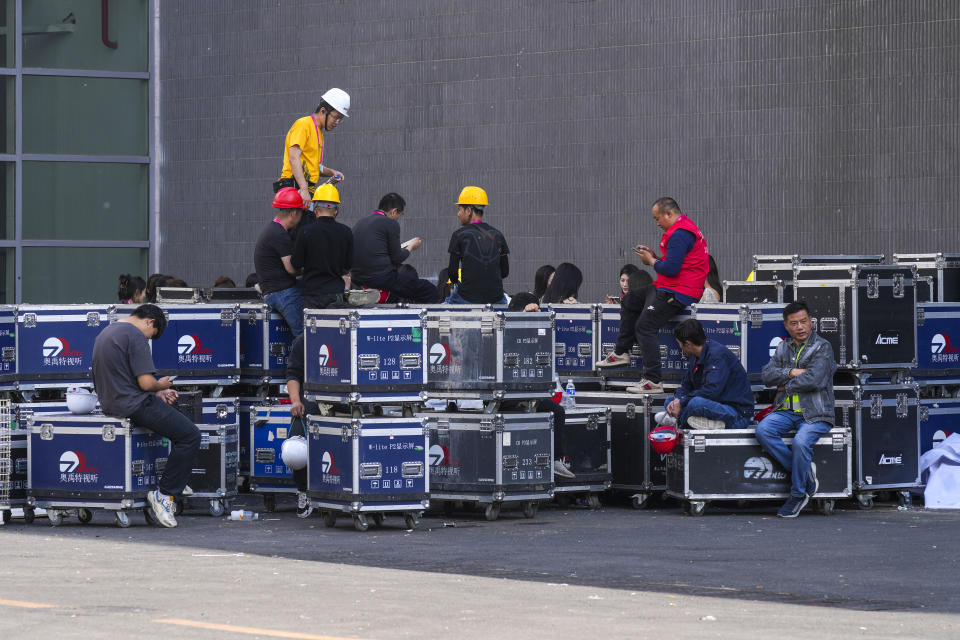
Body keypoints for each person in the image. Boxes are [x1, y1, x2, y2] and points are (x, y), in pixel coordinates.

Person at [91, 304, 201, 528]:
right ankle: (165, 494)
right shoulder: (135, 335)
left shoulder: (108, 332)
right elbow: (146, 382)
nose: (149, 338)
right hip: (134, 404)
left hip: (112, 403)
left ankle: (177, 479)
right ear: (150, 321)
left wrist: (159, 392)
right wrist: (161, 384)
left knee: (176, 419)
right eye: (153, 334)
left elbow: (124, 377)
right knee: (190, 435)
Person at [596, 197, 708, 394]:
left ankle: (653, 380)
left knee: (645, 326)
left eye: (657, 218)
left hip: (680, 291)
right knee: (630, 299)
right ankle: (621, 353)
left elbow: (672, 269)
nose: (657, 223)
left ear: (669, 214)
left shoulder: (679, 234)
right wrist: (655, 257)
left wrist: (651, 262)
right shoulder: (681, 230)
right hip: (668, 286)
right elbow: (674, 264)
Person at [755, 300, 837, 518]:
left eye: (804, 321)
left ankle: (798, 493)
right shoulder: (783, 347)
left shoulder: (823, 347)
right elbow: (766, 375)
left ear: (810, 322)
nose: (800, 327)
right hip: (786, 411)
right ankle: (803, 473)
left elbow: (816, 380)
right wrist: (792, 372)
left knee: (801, 442)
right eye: (794, 323)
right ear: (786, 326)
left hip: (817, 414)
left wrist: (785, 383)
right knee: (763, 430)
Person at [504, 292, 573, 479]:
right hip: (506, 396)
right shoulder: (504, 327)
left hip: (527, 393)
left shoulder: (537, 328)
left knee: (557, 411)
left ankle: (555, 459)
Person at [654, 319, 754, 430]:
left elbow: (711, 391)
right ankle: (688, 419)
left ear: (688, 344)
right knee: (670, 401)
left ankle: (679, 419)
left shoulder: (717, 355)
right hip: (713, 405)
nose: (680, 347)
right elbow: (686, 385)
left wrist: (682, 402)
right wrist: (677, 400)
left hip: (736, 413)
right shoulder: (695, 355)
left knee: (695, 403)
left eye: (679, 344)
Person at [351, 193, 436, 303]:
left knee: (397, 295)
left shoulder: (360, 223)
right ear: (394, 211)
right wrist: (411, 246)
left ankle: (379, 297)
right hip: (381, 278)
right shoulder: (390, 223)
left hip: (358, 278)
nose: (398, 218)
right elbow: (397, 257)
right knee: (428, 289)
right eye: (399, 214)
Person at [273, 88, 349, 209]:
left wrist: (332, 173)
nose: (337, 122)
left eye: (340, 119)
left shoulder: (319, 133)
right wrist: (303, 189)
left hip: (305, 191)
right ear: (323, 111)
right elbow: (293, 157)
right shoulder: (303, 125)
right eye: (336, 117)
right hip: (294, 188)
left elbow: (314, 167)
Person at [291, 184, 353, 309]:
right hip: (336, 293)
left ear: (315, 210)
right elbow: (348, 265)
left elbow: (296, 263)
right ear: (336, 211)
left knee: (311, 328)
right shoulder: (346, 232)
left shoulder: (305, 231)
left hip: (312, 294)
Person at [445, 186, 509, 304]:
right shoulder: (498, 235)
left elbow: (452, 274)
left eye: (459, 209)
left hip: (466, 298)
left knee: (443, 309)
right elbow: (505, 272)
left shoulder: (459, 235)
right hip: (496, 298)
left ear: (469, 210)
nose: (458, 214)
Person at [255, 187, 305, 335]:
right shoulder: (279, 234)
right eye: (301, 212)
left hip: (272, 291)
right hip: (284, 292)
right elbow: (291, 269)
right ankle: (296, 360)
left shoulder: (271, 230)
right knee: (304, 336)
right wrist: (307, 269)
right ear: (294, 213)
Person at [284, 331, 321, 518]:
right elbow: (293, 374)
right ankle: (303, 491)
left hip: (343, 402)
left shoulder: (351, 338)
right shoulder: (303, 340)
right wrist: (295, 401)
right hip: (311, 401)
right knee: (294, 451)